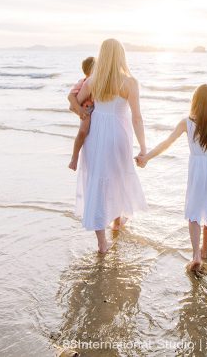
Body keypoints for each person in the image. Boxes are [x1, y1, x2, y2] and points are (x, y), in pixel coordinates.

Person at [136, 84, 207, 271]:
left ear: (195, 101)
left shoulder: (187, 122)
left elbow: (166, 143)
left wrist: (147, 157)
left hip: (199, 168)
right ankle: (205, 251)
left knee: (194, 211)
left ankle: (196, 255)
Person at [75, 39, 148, 253]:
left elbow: (78, 104)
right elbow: (137, 118)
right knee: (117, 176)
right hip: (119, 134)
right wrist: (143, 148)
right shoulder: (130, 82)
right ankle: (116, 222)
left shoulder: (92, 81)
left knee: (98, 179)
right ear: (121, 56)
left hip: (97, 135)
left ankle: (102, 243)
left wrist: (87, 112)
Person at [67, 56, 96, 171]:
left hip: (93, 110)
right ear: (90, 70)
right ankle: (74, 158)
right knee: (83, 132)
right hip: (86, 110)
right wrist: (79, 109)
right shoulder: (83, 82)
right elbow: (70, 96)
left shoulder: (97, 81)